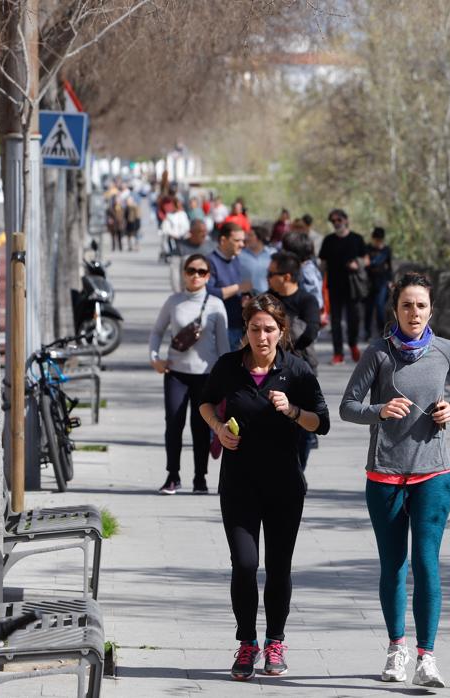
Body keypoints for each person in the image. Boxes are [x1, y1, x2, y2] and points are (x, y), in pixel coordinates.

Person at [339, 272, 450, 688]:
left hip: (433, 472)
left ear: (431, 309)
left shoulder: (446, 350)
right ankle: (396, 648)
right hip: (384, 473)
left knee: (426, 562)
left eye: (420, 305)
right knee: (393, 565)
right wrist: (379, 409)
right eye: (406, 305)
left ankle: (427, 657)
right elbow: (347, 406)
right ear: (395, 309)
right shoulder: (379, 354)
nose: (414, 312)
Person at [200, 294, 330, 681]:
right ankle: (246, 642)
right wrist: (219, 429)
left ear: (281, 331)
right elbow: (206, 403)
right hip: (239, 484)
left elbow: (320, 422)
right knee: (243, 565)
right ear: (246, 331)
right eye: (255, 329)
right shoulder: (229, 367)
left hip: (284, 485)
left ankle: (275, 641)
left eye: (269, 329)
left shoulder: (298, 371)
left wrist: (292, 410)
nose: (262, 336)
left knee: (277, 566)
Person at [150, 254, 231, 494]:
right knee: (174, 424)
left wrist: (225, 378)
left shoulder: (216, 305)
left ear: (208, 276)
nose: (196, 275)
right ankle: (172, 476)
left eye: (202, 272)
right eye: (191, 270)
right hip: (176, 373)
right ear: (184, 273)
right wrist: (155, 358)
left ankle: (200, 478)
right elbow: (157, 331)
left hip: (206, 376)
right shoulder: (173, 301)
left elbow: (224, 347)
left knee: (201, 426)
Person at [267, 252, 321, 469]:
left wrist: (289, 351)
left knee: (303, 424)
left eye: (271, 273)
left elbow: (312, 331)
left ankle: (298, 470)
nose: (268, 277)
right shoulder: (267, 298)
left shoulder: (306, 300)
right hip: (270, 370)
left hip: (302, 369)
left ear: (286, 276)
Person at [318, 208, 369, 364]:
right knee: (336, 322)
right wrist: (319, 283)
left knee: (354, 320)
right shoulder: (328, 240)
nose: (336, 223)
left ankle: (353, 345)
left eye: (339, 220)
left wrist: (357, 264)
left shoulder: (357, 239)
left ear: (346, 220)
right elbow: (323, 263)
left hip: (353, 287)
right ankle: (338, 354)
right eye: (333, 221)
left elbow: (366, 259)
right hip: (334, 286)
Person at [205, 222, 251, 350]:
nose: (242, 244)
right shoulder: (210, 262)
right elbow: (207, 293)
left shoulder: (235, 259)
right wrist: (239, 288)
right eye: (237, 240)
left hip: (238, 325)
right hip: (218, 328)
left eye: (243, 240)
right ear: (223, 240)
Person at [364, 227, 393, 341]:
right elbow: (366, 265)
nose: (378, 242)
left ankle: (382, 332)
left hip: (382, 282)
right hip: (369, 282)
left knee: (380, 307)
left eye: (379, 240)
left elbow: (389, 267)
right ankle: (367, 333)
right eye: (376, 240)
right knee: (368, 309)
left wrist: (390, 281)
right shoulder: (367, 248)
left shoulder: (386, 250)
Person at [237, 225, 275, 295]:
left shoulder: (272, 254)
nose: (246, 238)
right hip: (244, 297)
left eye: (250, 235)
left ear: (260, 237)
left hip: (266, 297)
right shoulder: (239, 255)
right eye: (247, 235)